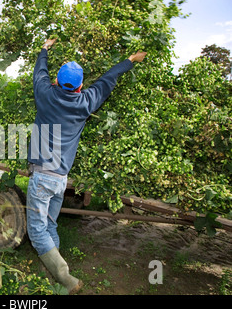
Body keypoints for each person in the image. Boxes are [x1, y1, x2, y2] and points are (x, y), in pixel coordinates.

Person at [27, 38, 147, 294]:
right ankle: (54, 271)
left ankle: (66, 279)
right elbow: (107, 79)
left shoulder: (45, 95)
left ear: (57, 81)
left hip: (41, 177)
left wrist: (45, 49)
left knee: (36, 232)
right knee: (49, 225)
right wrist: (130, 60)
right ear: (81, 86)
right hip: (60, 179)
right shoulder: (85, 103)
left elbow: (39, 72)